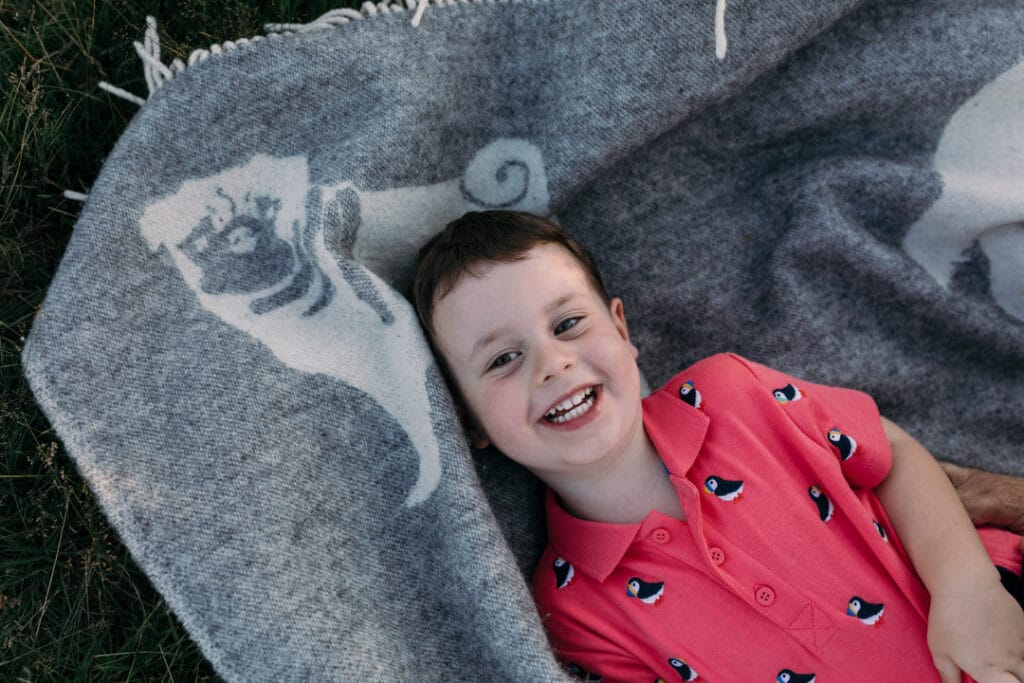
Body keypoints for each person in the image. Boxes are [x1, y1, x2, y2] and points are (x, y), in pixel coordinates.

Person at [410, 210, 1024, 682]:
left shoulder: (731, 393)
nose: (552, 363)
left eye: (568, 324)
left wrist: (968, 587)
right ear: (469, 422)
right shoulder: (573, 608)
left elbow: (890, 456)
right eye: (503, 359)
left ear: (622, 330)